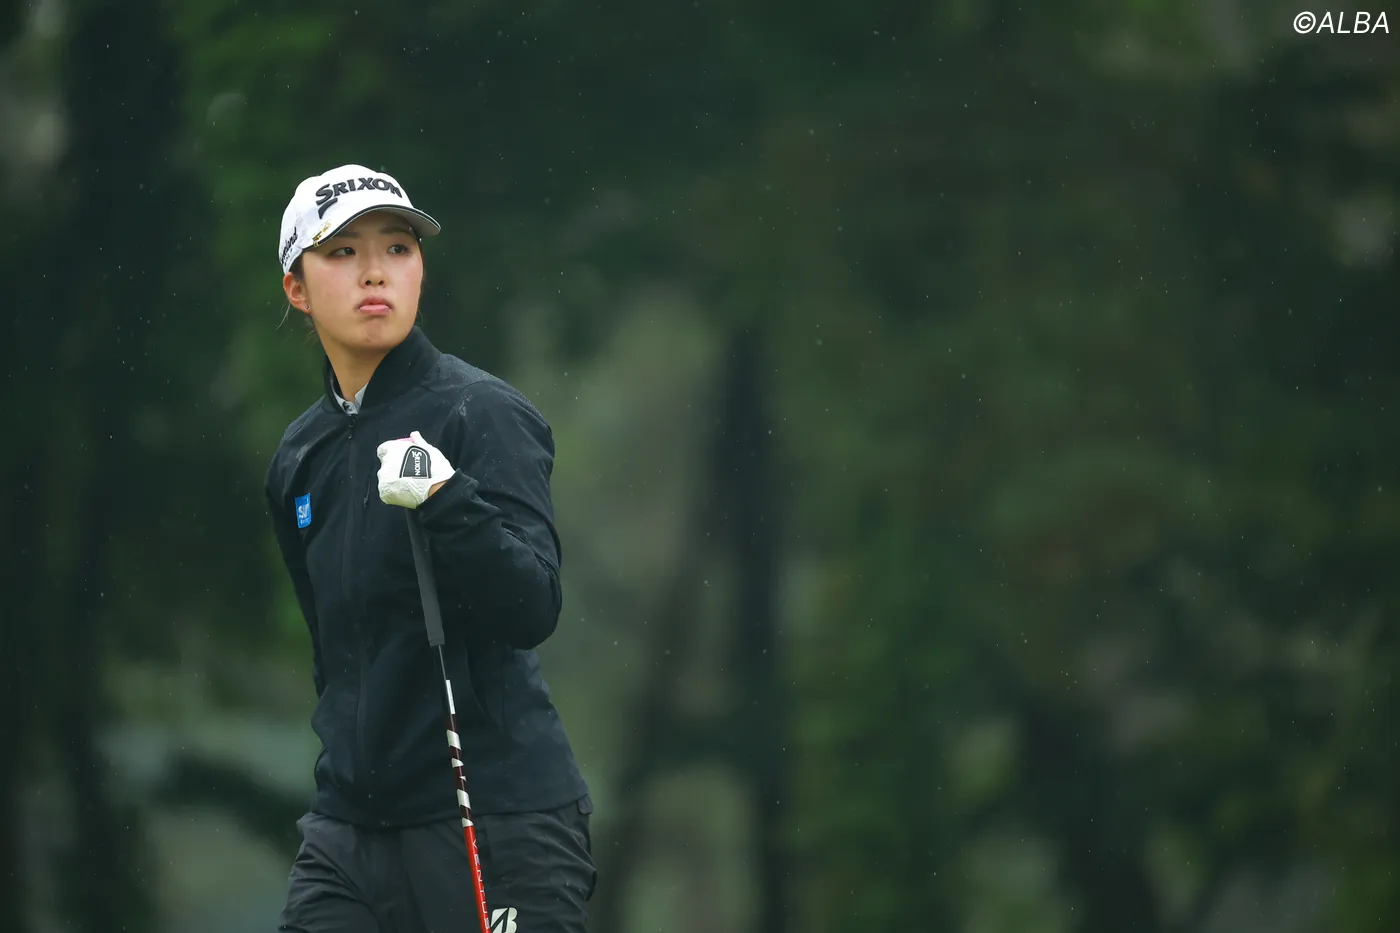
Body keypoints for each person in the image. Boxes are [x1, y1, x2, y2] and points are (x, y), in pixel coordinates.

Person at [263, 163, 596, 932]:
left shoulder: (480, 412)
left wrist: (447, 498)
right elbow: (334, 650)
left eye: (397, 247)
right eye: (342, 252)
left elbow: (532, 605)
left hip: (496, 818)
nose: (375, 271)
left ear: (419, 270)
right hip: (350, 832)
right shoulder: (299, 455)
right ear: (297, 289)